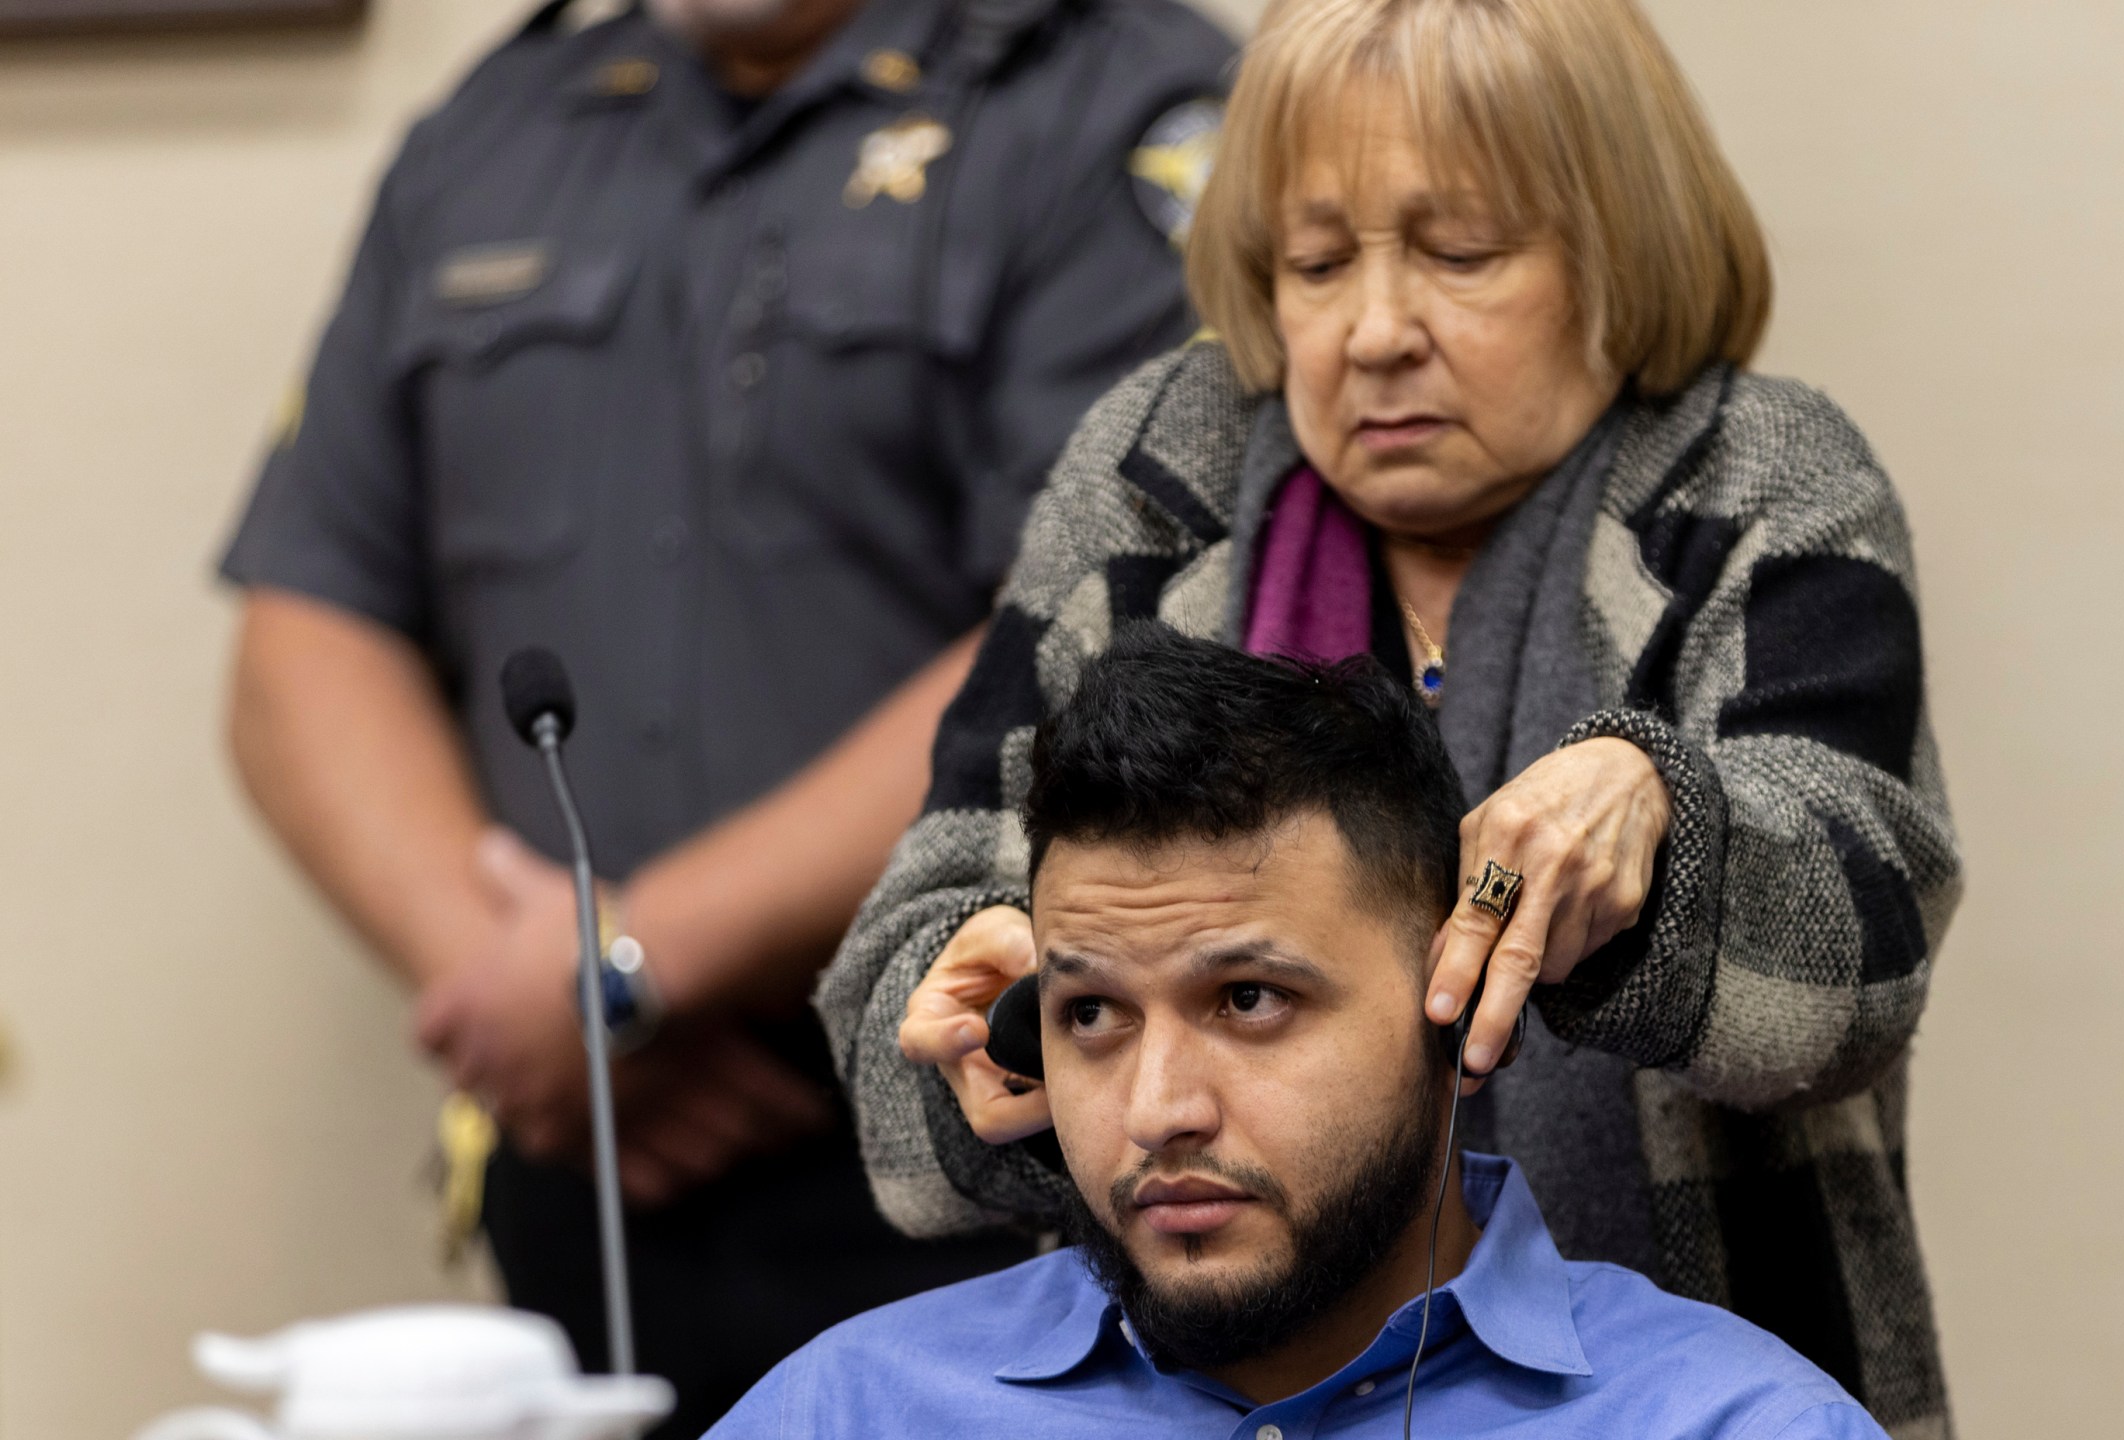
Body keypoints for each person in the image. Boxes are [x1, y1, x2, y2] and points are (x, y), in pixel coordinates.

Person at [824, 0, 1964, 1432]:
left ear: (1622, 247)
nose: (1371, 335)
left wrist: (1659, 830)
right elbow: (899, 1049)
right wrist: (1011, 1022)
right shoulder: (1151, 480)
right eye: (1312, 264)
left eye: (1460, 255)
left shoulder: (1759, 478)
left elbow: (1852, 986)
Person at [218, 0, 1234, 1430]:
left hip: (978, 1126)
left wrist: (632, 966)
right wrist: (538, 997)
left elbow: (1108, 617)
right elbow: (303, 630)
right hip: (587, 1149)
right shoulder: (501, 129)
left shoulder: (1110, 103)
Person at [721, 630, 1889, 1438]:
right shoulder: (851, 1410)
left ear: (1462, 989)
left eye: (1248, 1002)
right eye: (1090, 1014)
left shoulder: (1724, 1423)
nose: (1157, 1109)